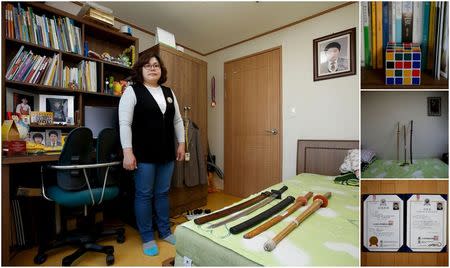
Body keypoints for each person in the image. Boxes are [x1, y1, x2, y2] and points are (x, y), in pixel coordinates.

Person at [119, 52, 185, 256]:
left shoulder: (169, 92)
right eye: (147, 65)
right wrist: (127, 152)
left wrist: (182, 143)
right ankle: (147, 236)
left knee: (163, 193)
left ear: (161, 70)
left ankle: (165, 231)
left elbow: (178, 121)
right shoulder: (132, 91)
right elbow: (125, 123)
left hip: (166, 154)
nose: (152, 68)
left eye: (156, 65)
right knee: (144, 195)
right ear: (140, 69)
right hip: (144, 154)